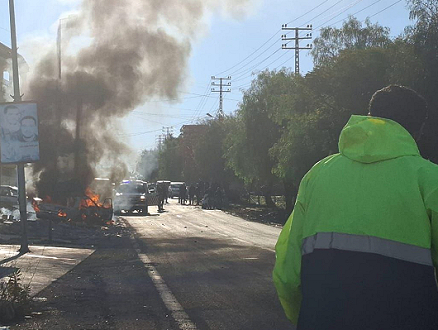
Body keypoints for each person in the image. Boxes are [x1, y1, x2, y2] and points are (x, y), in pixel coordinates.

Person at [273, 85, 438, 330]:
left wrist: (305, 317)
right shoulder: (428, 179)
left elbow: (287, 273)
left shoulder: (318, 174)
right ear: (419, 130)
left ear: (369, 117)